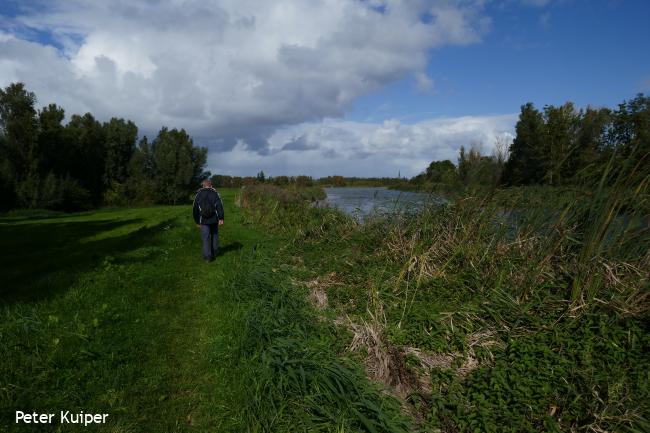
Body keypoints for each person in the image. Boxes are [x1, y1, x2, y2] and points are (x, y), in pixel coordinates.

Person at [192, 179, 225, 262]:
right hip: (214, 219)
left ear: (203, 185)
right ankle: (215, 252)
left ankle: (207, 257)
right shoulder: (215, 193)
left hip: (203, 220)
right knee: (214, 235)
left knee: (205, 238)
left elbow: (195, 209)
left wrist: (197, 221)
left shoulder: (198, 194)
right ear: (211, 185)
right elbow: (219, 206)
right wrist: (221, 218)